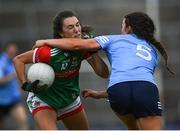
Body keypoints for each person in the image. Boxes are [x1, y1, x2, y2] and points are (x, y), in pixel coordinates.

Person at [33, 12, 174, 130]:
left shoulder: (113, 39)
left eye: (122, 25)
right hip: (145, 89)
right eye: (71, 27)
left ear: (129, 28)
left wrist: (45, 41)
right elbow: (136, 83)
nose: (77, 29)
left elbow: (76, 45)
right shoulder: (152, 51)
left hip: (118, 91)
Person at [13, 10, 109, 130]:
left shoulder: (83, 47)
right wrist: (24, 84)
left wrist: (93, 51)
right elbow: (18, 60)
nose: (77, 30)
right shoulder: (48, 52)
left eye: (77, 25)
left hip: (69, 98)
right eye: (70, 27)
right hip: (44, 99)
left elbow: (104, 73)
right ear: (61, 33)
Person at [0, 43, 28, 130]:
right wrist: (12, 76)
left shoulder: (15, 61)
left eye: (15, 51)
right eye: (11, 50)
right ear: (7, 50)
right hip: (1, 101)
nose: (13, 52)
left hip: (13, 100)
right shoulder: (2, 62)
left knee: (23, 121)